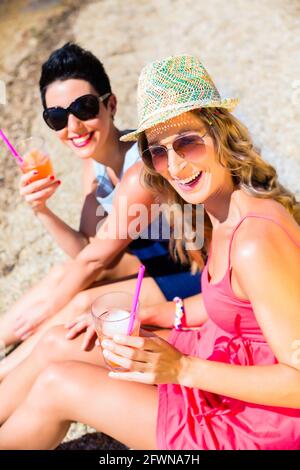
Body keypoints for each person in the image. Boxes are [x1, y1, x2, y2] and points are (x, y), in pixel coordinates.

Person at [0, 55, 300, 450]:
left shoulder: (252, 242)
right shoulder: (219, 214)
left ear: (221, 132)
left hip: (256, 421)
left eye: (187, 142)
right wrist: (156, 314)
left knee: (59, 383)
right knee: (60, 342)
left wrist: (182, 368)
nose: (174, 166)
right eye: (158, 151)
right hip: (225, 361)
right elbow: (234, 305)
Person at [0, 45, 200, 380]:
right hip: (154, 257)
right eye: (59, 117)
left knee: (82, 301)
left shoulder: (144, 167)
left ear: (111, 104)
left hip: (193, 269)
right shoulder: (93, 165)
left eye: (85, 107)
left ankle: (5, 372)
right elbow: (87, 249)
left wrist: (48, 311)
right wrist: (41, 210)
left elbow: (93, 262)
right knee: (61, 277)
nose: (74, 126)